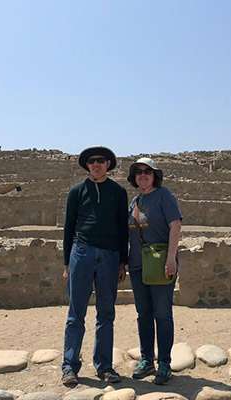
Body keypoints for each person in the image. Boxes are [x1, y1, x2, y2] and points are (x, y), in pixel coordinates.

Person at [61, 146, 129, 387]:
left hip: (110, 256)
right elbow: (68, 228)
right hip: (82, 252)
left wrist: (123, 261)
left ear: (108, 164)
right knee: (75, 312)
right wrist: (67, 263)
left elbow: (123, 228)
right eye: (92, 161)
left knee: (106, 313)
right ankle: (69, 366)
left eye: (101, 161)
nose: (96, 164)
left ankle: (104, 366)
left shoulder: (119, 192)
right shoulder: (77, 192)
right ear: (87, 165)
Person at [126, 157, 182, 385]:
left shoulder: (164, 196)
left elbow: (175, 225)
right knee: (144, 314)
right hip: (138, 265)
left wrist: (171, 258)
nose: (143, 174)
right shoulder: (135, 201)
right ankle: (147, 360)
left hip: (160, 263)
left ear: (154, 175)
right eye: (138, 172)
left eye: (147, 171)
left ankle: (165, 363)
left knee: (162, 314)